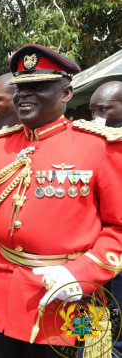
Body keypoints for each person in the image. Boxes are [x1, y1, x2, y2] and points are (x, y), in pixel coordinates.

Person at [0, 43, 122, 357]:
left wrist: (82, 273)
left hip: (65, 300)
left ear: (66, 93)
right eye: (21, 88)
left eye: (38, 86)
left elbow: (118, 227)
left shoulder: (101, 147)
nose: (25, 95)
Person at [89, 80, 122, 355]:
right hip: (95, 247)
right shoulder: (91, 143)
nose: (97, 117)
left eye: (104, 109)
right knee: (95, 311)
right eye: (92, 111)